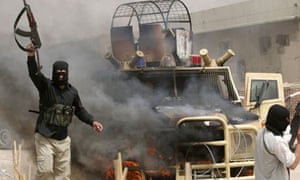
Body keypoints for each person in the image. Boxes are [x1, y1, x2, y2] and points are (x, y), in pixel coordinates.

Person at [25, 44, 103, 180]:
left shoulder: (72, 92)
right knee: (45, 171)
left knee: (63, 177)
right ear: (54, 72)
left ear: (67, 72)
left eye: (63, 71)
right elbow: (33, 73)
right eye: (58, 71)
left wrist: (92, 121)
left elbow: (80, 110)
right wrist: (31, 56)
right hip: (44, 138)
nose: (60, 74)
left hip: (63, 141)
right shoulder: (46, 86)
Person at [254, 104, 300, 180]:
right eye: (286, 120)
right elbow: (292, 164)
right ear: (278, 121)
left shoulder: (261, 132)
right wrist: (299, 143)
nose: (288, 123)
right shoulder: (276, 141)